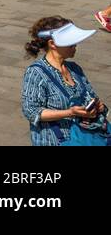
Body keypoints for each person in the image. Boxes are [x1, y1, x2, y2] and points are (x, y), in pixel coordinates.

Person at [21, 18, 108, 146]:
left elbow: (91, 96)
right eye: (71, 43)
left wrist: (98, 107)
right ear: (52, 44)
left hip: (84, 138)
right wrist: (70, 113)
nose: (75, 46)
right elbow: (31, 111)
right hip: (55, 141)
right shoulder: (36, 73)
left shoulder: (74, 68)